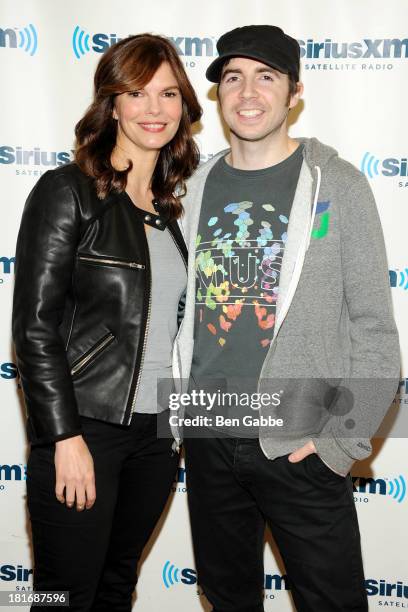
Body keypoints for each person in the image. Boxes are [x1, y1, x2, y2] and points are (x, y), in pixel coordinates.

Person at [171, 25, 400, 611]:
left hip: (301, 439)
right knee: (228, 600)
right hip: (209, 428)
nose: (248, 92)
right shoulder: (191, 187)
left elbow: (375, 328)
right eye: (233, 77)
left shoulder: (339, 186)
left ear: (295, 91)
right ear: (219, 93)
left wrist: (339, 445)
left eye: (266, 77)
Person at [12, 33, 201, 611]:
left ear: (183, 107)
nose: (154, 109)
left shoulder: (170, 211)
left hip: (155, 438)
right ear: (111, 104)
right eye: (136, 93)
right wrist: (62, 437)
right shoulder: (69, 191)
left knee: (117, 586)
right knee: (62, 597)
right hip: (86, 428)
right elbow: (34, 330)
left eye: (168, 93)